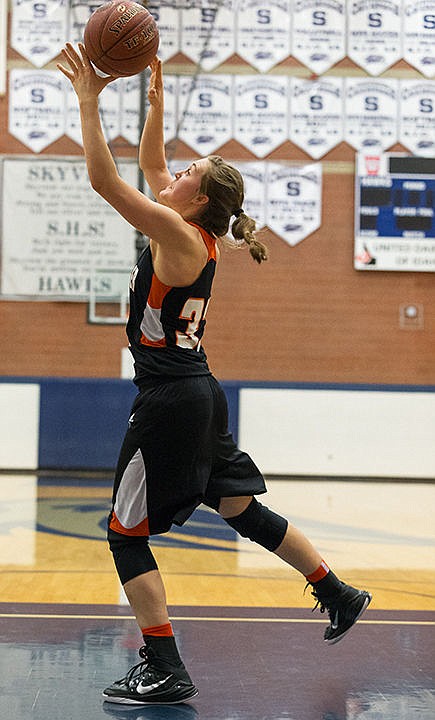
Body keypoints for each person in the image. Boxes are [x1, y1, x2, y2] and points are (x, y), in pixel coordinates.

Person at [58, 45, 372, 707]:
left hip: (171, 400)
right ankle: (335, 592)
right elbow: (149, 163)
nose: (171, 172)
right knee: (238, 507)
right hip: (202, 393)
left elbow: (104, 180)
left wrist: (87, 101)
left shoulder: (174, 233)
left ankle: (165, 665)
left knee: (124, 533)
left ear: (195, 197)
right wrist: (155, 103)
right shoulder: (194, 234)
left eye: (185, 171)